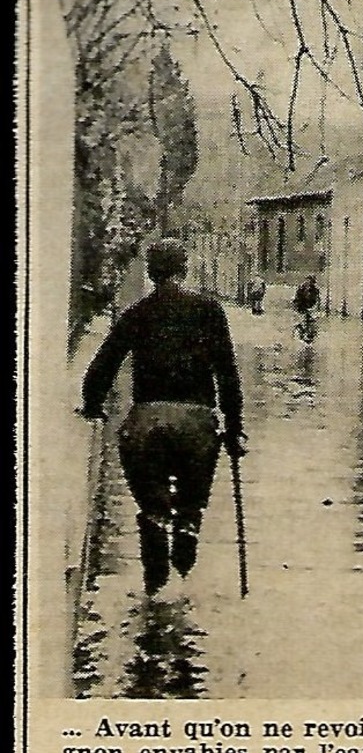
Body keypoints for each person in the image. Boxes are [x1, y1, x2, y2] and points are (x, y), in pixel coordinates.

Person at [80, 238, 246, 595]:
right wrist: (234, 430)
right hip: (197, 422)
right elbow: (228, 374)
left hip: (148, 418)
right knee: (191, 500)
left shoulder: (138, 312)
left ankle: (155, 573)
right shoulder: (210, 310)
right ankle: (186, 529)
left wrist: (93, 405)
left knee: (152, 501)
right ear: (184, 268)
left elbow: (102, 366)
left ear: (152, 272)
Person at [292, 273, 320, 340]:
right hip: (301, 306)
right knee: (303, 319)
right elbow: (297, 299)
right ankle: (301, 331)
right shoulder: (301, 288)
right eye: (309, 281)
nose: (311, 283)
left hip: (311, 307)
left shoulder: (315, 290)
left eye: (312, 282)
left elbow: (317, 299)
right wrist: (298, 307)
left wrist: (316, 308)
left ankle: (311, 333)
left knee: (312, 320)